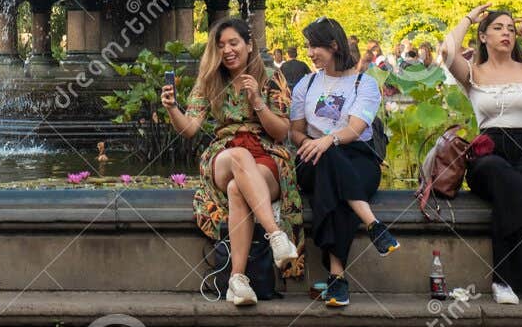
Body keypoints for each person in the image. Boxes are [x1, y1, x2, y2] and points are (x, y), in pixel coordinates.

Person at [161, 15, 302, 307]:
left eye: (234, 43)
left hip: (266, 155)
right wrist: (173, 108)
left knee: (239, 189)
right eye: (221, 45)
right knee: (239, 157)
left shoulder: (272, 79)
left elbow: (280, 131)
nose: (227, 50)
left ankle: (237, 280)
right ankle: (276, 236)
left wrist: (257, 102)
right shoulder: (210, 80)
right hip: (225, 153)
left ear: (249, 45)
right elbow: (189, 129)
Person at [439, 5, 522, 304]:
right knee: (497, 171)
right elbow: (447, 53)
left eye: (511, 29)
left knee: (509, 198)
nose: (506, 33)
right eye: (498, 27)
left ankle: (505, 283)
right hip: (490, 152)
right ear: (484, 36)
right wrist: (468, 18)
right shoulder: (473, 73)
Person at [286, 17, 397, 307]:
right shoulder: (306, 84)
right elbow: (296, 131)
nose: (309, 53)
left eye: (314, 46)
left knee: (334, 178)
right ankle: (372, 223)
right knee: (327, 160)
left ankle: (337, 277)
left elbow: (355, 129)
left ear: (333, 45)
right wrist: (310, 143)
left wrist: (328, 140)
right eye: (308, 47)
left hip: (357, 158)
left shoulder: (364, 83)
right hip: (311, 157)